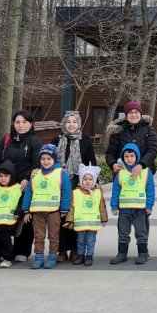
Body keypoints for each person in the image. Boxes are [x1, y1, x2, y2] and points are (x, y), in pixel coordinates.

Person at [0, 110, 42, 262]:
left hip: (23, 185)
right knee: (6, 216)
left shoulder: (34, 141)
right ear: (13, 124)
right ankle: (5, 250)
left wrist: (27, 178)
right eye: (18, 122)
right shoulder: (6, 139)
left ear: (31, 124)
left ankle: (23, 250)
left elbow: (36, 163)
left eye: (24, 122)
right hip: (6, 184)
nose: (21, 125)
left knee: (24, 217)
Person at [53, 110, 98, 265]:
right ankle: (62, 250)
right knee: (61, 217)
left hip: (78, 185)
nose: (71, 125)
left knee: (76, 217)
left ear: (79, 124)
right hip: (59, 184)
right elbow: (50, 162)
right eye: (68, 122)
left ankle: (75, 249)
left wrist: (91, 183)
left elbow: (92, 163)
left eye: (74, 122)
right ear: (64, 124)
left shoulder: (85, 141)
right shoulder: (57, 140)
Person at [20, 144, 71, 269]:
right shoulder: (35, 174)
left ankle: (52, 256)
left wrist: (64, 208)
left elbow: (66, 191)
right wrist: (26, 210)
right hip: (37, 212)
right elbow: (29, 192)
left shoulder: (61, 173)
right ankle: (38, 257)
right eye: (43, 159)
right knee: (39, 236)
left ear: (54, 159)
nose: (46, 161)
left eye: (49, 158)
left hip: (54, 211)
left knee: (53, 235)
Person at [110, 142, 155, 265]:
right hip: (124, 210)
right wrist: (114, 206)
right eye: (126, 156)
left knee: (141, 233)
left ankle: (142, 254)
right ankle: (122, 254)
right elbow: (115, 190)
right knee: (123, 233)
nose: (129, 159)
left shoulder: (145, 171)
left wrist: (149, 205)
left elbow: (150, 189)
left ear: (137, 157)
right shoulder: (120, 172)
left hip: (140, 210)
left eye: (132, 156)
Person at [65, 165, 106, 266]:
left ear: (94, 180)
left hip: (93, 223)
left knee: (90, 240)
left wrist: (104, 218)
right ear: (81, 180)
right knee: (80, 240)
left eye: (90, 179)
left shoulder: (97, 193)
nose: (88, 181)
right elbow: (72, 207)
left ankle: (89, 256)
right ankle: (80, 256)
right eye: (85, 179)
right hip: (81, 223)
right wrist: (69, 220)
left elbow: (102, 206)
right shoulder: (76, 193)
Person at [106, 101, 157, 172]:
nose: (134, 115)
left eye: (136, 112)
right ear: (126, 115)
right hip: (123, 174)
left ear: (140, 114)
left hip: (144, 173)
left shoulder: (149, 130)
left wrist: (141, 165)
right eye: (130, 112)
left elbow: (152, 150)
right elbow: (110, 153)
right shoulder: (118, 130)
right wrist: (113, 164)